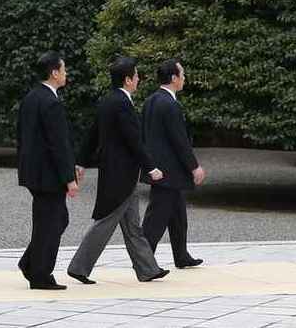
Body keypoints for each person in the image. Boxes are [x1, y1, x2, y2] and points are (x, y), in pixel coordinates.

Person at [67, 57, 171, 284]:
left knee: (133, 226)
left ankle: (148, 269)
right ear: (127, 80)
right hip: (121, 175)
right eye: (136, 76)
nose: (139, 79)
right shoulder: (122, 104)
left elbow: (92, 134)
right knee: (105, 221)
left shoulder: (108, 101)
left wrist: (81, 161)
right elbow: (133, 141)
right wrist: (151, 167)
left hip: (119, 173)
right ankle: (79, 266)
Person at [16, 51, 80, 290]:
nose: (65, 74)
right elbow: (58, 144)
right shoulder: (50, 102)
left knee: (55, 219)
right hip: (49, 174)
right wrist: (69, 178)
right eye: (63, 69)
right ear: (54, 73)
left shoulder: (31, 97)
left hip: (34, 172)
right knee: (51, 222)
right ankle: (40, 274)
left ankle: (30, 263)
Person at [140, 59, 205, 269]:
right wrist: (194, 166)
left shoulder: (151, 100)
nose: (184, 78)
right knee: (156, 218)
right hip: (168, 170)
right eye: (182, 75)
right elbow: (179, 140)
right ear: (174, 78)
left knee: (177, 214)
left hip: (160, 167)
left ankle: (181, 255)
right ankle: (144, 261)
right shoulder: (170, 104)